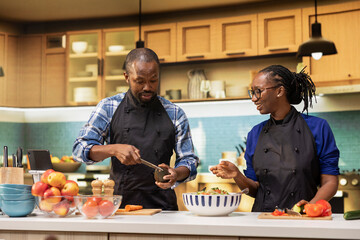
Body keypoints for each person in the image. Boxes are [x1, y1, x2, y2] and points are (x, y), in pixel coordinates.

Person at [73, 48, 199, 210]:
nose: (147, 87)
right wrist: (113, 149)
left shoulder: (175, 113)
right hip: (118, 207)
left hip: (163, 207)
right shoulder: (108, 107)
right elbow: (79, 150)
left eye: (153, 80)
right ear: (127, 77)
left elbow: (189, 160)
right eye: (140, 81)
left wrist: (176, 173)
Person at [210, 65, 339, 212]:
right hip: (262, 219)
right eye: (252, 92)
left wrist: (309, 207)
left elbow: (330, 182)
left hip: (303, 218)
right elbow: (254, 190)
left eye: (258, 91)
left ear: (279, 91)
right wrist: (237, 175)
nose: (253, 98)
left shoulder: (318, 127)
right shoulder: (255, 133)